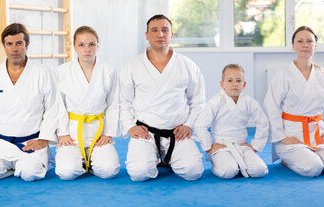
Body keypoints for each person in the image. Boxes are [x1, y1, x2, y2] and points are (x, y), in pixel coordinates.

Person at [120, 14, 205, 181]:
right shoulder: (132, 65)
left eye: (165, 30)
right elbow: (124, 102)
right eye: (154, 30)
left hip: (178, 132)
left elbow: (198, 101)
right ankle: (153, 158)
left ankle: (170, 159)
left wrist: (188, 125)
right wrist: (130, 127)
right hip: (146, 132)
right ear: (147, 35)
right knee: (139, 173)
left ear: (171, 34)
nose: (160, 34)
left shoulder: (187, 64)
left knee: (193, 172)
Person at [0, 23, 58, 182]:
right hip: (1, 144)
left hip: (31, 143)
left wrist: (44, 139)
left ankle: (27, 164)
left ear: (27, 45)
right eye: (9, 44)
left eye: (19, 43)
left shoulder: (42, 73)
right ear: (4, 45)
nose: (14, 49)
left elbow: (52, 108)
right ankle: (15, 166)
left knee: (29, 173)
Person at [263, 26, 324, 177]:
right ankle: (288, 160)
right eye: (300, 41)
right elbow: (270, 106)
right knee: (314, 168)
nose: (305, 45)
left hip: (317, 134)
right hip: (291, 136)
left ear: (315, 46)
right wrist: (282, 137)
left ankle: (313, 156)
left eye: (309, 41)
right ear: (293, 45)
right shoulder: (283, 75)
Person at [55, 26, 120, 180]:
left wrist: (108, 133)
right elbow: (59, 104)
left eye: (91, 44)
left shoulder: (108, 71)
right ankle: (80, 160)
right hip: (72, 132)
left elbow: (114, 103)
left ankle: (90, 160)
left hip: (98, 132)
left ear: (98, 45)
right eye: (81, 45)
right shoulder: (63, 71)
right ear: (75, 47)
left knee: (109, 171)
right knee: (66, 173)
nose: (87, 49)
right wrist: (62, 133)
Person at [194, 64, 269, 179]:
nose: (234, 84)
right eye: (230, 80)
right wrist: (209, 147)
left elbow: (263, 123)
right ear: (222, 84)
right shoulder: (216, 101)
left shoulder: (249, 102)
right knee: (228, 172)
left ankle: (237, 163)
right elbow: (200, 125)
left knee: (259, 170)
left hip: (241, 145)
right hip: (221, 146)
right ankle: (217, 162)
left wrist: (255, 145)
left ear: (243, 84)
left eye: (238, 81)